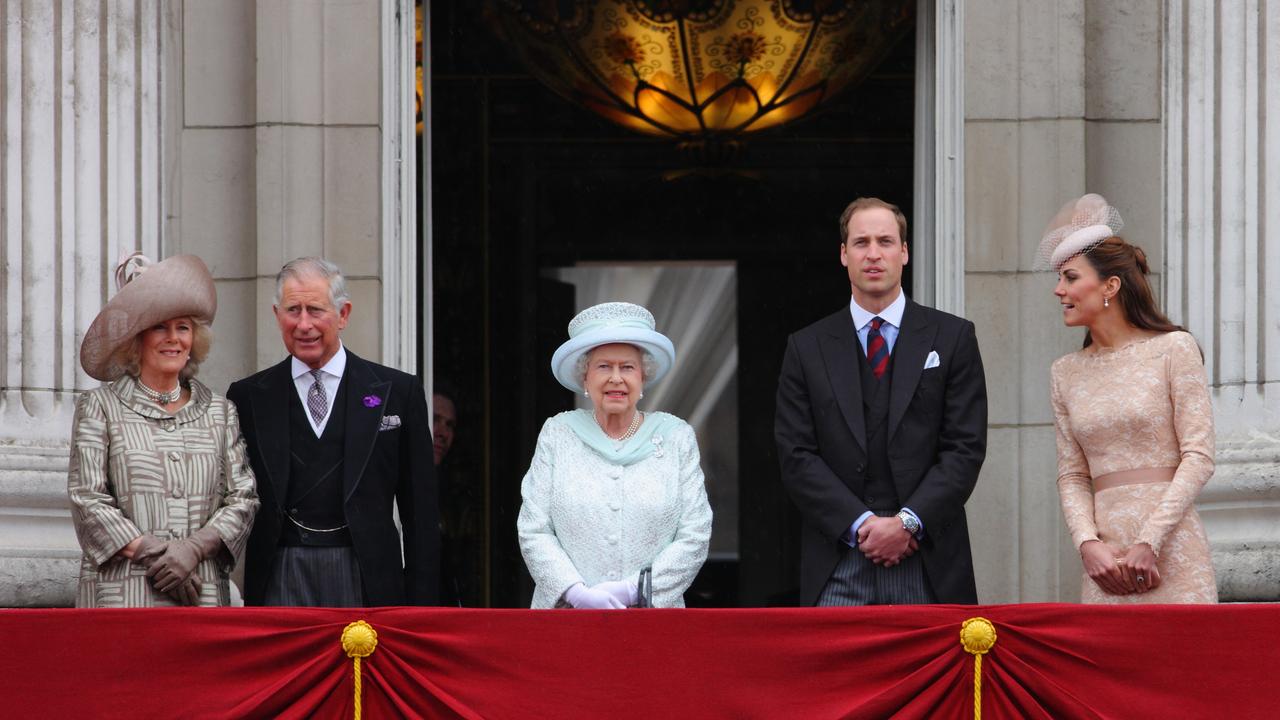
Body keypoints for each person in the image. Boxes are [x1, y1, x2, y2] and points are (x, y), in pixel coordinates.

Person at [775, 197, 988, 606]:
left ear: (904, 252)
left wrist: (907, 524)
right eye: (861, 242)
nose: (873, 254)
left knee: (930, 673)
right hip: (838, 558)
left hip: (927, 558)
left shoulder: (952, 337)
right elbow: (796, 454)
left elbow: (964, 448)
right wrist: (861, 526)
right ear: (843, 254)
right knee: (834, 672)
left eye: (886, 241)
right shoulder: (806, 347)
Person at [227, 257, 438, 607]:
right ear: (277, 315)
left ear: (343, 314)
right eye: (293, 310)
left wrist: (422, 608)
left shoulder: (398, 392)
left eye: (315, 310)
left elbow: (421, 512)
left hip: (368, 576)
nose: (304, 324)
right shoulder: (248, 397)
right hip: (280, 574)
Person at [1041, 194, 1217, 603]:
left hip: (1172, 550)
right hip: (1104, 563)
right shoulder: (1064, 371)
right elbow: (1072, 475)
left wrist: (1149, 541)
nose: (1058, 290)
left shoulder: (1174, 349)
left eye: (1070, 277)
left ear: (1111, 286)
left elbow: (1200, 455)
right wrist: (1087, 545)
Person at [68, 253, 259, 607]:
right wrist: (156, 554)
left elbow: (243, 499)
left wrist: (191, 550)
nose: (173, 338)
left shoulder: (220, 412)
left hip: (200, 595)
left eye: (183, 327)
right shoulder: (100, 407)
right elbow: (87, 498)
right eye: (159, 327)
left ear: (194, 339)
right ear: (135, 339)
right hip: (122, 598)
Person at [518, 302, 712, 608]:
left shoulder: (676, 438)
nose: (616, 378)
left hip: (652, 624)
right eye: (603, 366)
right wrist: (575, 593)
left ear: (643, 378)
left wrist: (635, 590)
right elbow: (534, 529)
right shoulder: (557, 434)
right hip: (566, 622)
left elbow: (695, 534)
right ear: (585, 377)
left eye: (628, 367)